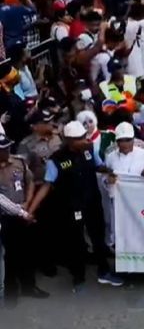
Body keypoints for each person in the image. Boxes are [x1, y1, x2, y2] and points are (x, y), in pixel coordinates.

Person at [26, 121, 123, 290]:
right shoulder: (56, 160)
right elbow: (47, 185)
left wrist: (110, 172)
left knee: (98, 237)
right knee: (76, 242)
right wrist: (30, 210)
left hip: (92, 201)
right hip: (71, 206)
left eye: (84, 137)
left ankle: (104, 272)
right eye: (79, 139)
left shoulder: (89, 150)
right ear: (69, 140)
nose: (84, 140)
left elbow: (98, 166)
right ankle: (78, 278)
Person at [0, 135, 47, 304]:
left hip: (24, 210)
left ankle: (29, 286)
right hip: (4, 219)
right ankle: (10, 291)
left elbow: (31, 181)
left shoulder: (19, 162)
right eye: (2, 149)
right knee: (9, 257)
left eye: (7, 148)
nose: (5, 151)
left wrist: (28, 203)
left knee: (28, 252)